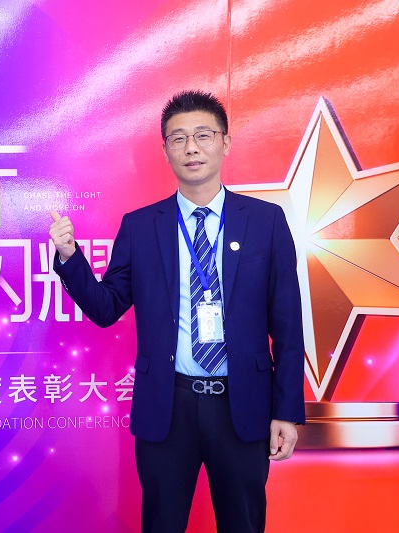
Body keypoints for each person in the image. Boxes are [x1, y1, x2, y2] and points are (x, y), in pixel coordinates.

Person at [48, 90, 305, 532]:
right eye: (179, 138)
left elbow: (287, 325)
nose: (191, 148)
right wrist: (70, 256)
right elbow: (107, 308)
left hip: (242, 404)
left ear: (225, 143)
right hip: (168, 405)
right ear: (165, 150)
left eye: (203, 135)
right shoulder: (140, 226)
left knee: (243, 525)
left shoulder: (266, 222)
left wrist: (286, 410)